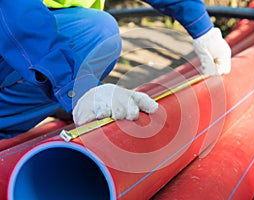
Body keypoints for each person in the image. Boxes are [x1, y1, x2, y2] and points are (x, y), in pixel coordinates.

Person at [0, 0, 231, 139]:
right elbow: (16, 14)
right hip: (12, 32)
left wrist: (201, 26)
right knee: (96, 34)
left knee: (96, 34)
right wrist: (74, 87)